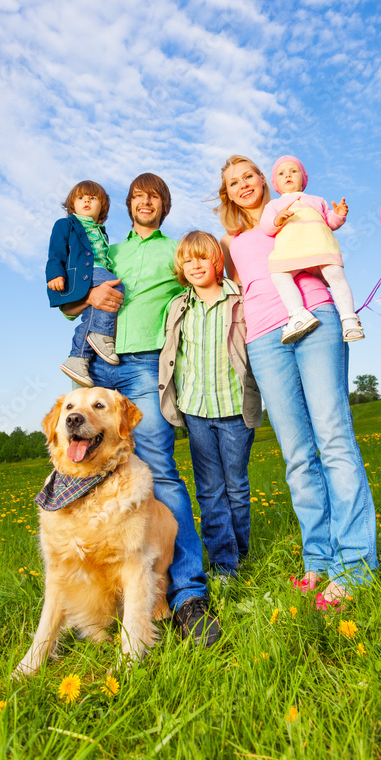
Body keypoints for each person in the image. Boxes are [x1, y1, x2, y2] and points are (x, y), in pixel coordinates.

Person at [61, 174, 220, 647]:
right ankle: (95, 595)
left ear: (163, 205)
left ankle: (189, 594)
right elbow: (71, 306)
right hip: (93, 370)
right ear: (128, 205)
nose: (144, 201)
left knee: (160, 473)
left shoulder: (175, 251)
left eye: (153, 196)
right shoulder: (109, 250)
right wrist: (88, 297)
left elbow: (201, 285)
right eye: (137, 196)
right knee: (86, 477)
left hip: (144, 368)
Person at [217, 155, 378, 608]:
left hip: (316, 320)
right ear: (227, 193)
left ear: (263, 179)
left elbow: (328, 243)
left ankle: (356, 567)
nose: (244, 184)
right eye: (234, 182)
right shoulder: (231, 240)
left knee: (333, 437)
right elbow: (235, 287)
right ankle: (318, 561)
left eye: (249, 175)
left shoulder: (296, 210)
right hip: (265, 339)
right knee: (297, 455)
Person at [159, 231, 261, 578]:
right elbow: (173, 355)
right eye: (188, 260)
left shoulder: (242, 299)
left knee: (236, 486)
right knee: (209, 490)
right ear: (181, 267)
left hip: (234, 407)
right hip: (196, 410)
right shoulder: (178, 307)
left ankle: (240, 551)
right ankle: (223, 564)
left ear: (217, 261)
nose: (195, 265)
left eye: (202, 257)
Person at [260, 155, 364, 344]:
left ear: (304, 177)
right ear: (276, 183)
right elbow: (266, 227)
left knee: (336, 276)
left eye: (294, 171)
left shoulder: (318, 200)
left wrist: (338, 215)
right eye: (281, 173)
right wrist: (277, 219)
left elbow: (330, 222)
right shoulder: (274, 205)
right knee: (279, 275)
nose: (288, 175)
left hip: (321, 248)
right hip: (290, 252)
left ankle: (349, 320)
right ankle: (298, 314)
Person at [46, 180, 123, 388]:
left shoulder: (101, 231)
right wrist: (55, 274)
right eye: (80, 198)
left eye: (93, 198)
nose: (86, 200)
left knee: (92, 313)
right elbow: (56, 252)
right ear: (72, 205)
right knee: (115, 287)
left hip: (94, 273)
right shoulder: (66, 224)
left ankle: (78, 358)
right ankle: (102, 335)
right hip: (84, 274)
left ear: (102, 207)